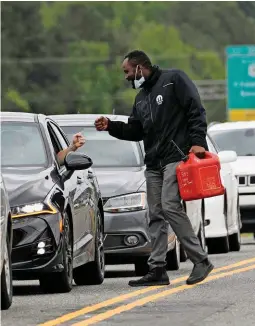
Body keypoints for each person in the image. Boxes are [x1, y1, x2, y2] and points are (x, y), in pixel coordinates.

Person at [95, 50, 213, 287]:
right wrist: (111, 126)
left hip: (176, 157)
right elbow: (136, 131)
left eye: (127, 71)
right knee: (155, 214)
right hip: (154, 163)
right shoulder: (140, 98)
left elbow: (195, 110)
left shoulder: (174, 80)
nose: (126, 77)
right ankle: (157, 269)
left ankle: (200, 260)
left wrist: (198, 142)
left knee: (170, 206)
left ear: (139, 67)